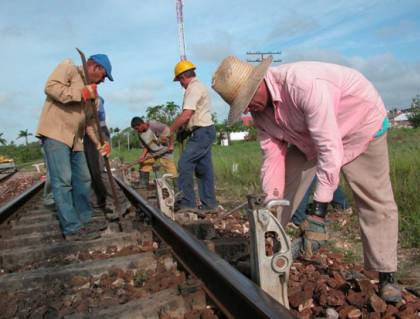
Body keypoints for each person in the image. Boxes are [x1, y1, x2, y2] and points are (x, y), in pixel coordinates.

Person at [211, 56, 400, 302]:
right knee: (284, 185)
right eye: (239, 105)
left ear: (258, 84)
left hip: (360, 125)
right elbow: (272, 161)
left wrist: (317, 213)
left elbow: (329, 149)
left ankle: (387, 274)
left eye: (246, 101)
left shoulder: (303, 85)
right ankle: (271, 246)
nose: (246, 109)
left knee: (375, 199)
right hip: (309, 138)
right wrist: (270, 208)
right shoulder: (261, 114)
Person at [36, 54, 113, 241]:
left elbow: (89, 124)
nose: (103, 81)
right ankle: (71, 228)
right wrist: (80, 94)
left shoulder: (93, 97)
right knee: (63, 181)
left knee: (84, 179)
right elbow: (51, 87)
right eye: (103, 76)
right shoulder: (68, 67)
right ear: (94, 67)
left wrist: (100, 143)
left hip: (75, 139)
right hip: (56, 133)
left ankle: (84, 221)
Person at [168, 60, 218, 213]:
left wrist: (170, 130)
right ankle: (209, 204)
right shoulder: (198, 87)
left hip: (201, 132)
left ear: (183, 77)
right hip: (204, 131)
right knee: (203, 170)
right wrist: (183, 130)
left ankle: (187, 203)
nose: (180, 84)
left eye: (179, 81)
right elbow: (190, 116)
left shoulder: (193, 88)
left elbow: (186, 114)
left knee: (184, 165)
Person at [130, 117, 177, 188]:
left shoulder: (155, 126)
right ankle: (143, 184)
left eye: (137, 128)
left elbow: (170, 131)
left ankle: (176, 187)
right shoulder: (140, 133)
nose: (137, 130)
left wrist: (171, 145)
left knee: (171, 169)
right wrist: (143, 155)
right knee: (144, 164)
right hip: (152, 151)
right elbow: (146, 145)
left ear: (141, 124)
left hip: (165, 150)